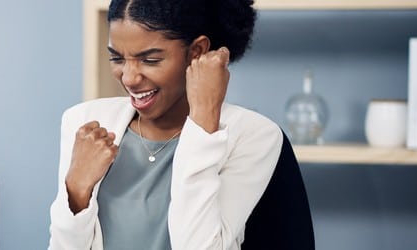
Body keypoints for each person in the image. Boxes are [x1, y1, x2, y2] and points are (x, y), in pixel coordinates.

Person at [48, 0, 284, 249]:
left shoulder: (254, 135)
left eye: (149, 60)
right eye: (117, 58)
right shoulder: (85, 122)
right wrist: (76, 189)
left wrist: (203, 124)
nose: (129, 77)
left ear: (197, 52)